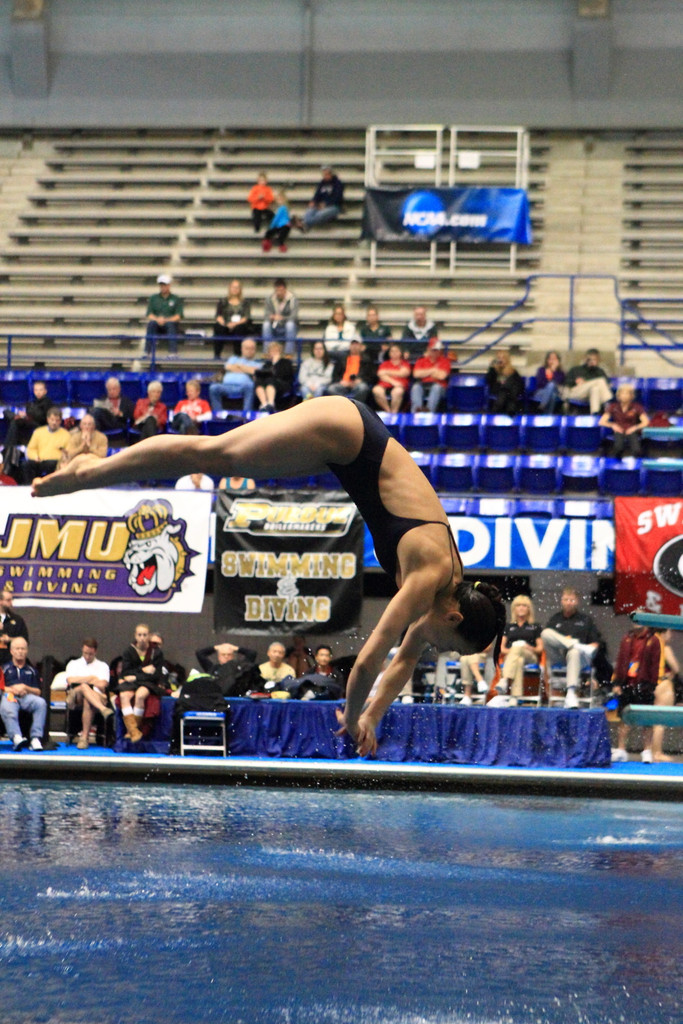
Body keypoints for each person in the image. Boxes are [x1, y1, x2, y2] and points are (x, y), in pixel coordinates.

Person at [32, 395, 508, 757]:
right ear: (454, 614)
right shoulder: (429, 575)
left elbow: (401, 663)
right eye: (451, 645)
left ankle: (94, 471)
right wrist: (352, 716)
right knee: (215, 454)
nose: (438, 649)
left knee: (219, 455)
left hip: (345, 449)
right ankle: (90, 472)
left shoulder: (446, 592)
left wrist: (374, 718)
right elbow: (369, 661)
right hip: (344, 431)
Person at [609, 625, 666, 764]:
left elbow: (655, 663)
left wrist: (653, 684)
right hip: (627, 683)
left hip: (644, 684)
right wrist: (617, 682)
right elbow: (620, 660)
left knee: (646, 719)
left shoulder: (653, 640)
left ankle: (647, 750)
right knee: (624, 717)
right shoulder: (627, 638)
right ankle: (621, 749)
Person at [541, 587, 602, 708]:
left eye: (572, 600)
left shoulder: (585, 620)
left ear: (577, 602)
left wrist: (581, 649)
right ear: (561, 601)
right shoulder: (555, 619)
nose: (569, 602)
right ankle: (574, 644)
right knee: (545, 633)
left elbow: (595, 644)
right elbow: (548, 639)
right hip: (559, 656)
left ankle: (571, 693)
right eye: (566, 599)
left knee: (574, 652)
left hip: (580, 658)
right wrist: (569, 642)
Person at [117, 623, 166, 743]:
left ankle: (133, 730)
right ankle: (134, 731)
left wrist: (135, 676)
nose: (142, 638)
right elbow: (125, 673)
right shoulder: (129, 651)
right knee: (123, 695)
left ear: (149, 636)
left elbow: (156, 674)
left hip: (149, 683)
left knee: (140, 695)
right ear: (135, 636)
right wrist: (143, 671)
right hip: (135, 682)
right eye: (139, 635)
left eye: (145, 635)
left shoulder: (156, 652)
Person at [65, 637, 112, 750]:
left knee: (87, 698)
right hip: (76, 696)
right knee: (84, 688)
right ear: (82, 649)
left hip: (96, 696)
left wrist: (81, 680)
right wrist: (92, 678)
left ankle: (84, 738)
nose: (87, 656)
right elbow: (71, 681)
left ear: (95, 652)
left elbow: (103, 685)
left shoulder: (103, 666)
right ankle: (102, 709)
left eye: (90, 654)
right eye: (85, 653)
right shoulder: (73, 663)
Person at [0, 637, 46, 751]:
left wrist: (26, 688)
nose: (20, 651)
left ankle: (35, 738)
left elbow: (38, 691)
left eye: (23, 649)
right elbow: (1, 687)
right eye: (17, 649)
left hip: (27, 697)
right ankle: (16, 738)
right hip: (9, 696)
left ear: (27, 651)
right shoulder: (4, 668)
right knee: (7, 705)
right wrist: (12, 689)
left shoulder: (32, 670)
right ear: (11, 651)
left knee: (41, 703)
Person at [498, 594, 544, 705]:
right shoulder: (509, 626)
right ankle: (515, 697)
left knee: (518, 649)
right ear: (514, 608)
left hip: (530, 655)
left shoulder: (535, 626)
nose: (521, 608)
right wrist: (514, 649)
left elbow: (539, 649)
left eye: (524, 605)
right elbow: (502, 648)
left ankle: (504, 679)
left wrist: (528, 647)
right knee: (518, 661)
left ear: (529, 609)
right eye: (518, 605)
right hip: (513, 656)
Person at [2, 378, 52, 478]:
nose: (38, 392)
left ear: (45, 391)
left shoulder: (47, 403)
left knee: (15, 423)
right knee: (7, 413)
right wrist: (22, 416)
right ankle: (15, 420)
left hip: (37, 426)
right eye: (36, 390)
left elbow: (42, 417)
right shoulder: (32, 403)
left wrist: (26, 415)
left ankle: (8, 448)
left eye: (40, 390)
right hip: (27, 424)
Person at [209, 337, 263, 414]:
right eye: (247, 348)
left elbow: (255, 371)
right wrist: (247, 370)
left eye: (252, 348)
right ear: (242, 349)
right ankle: (218, 414)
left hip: (243, 387)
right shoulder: (233, 358)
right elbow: (228, 367)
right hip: (226, 386)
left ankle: (246, 414)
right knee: (213, 387)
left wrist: (239, 366)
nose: (249, 351)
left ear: (255, 350)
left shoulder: (258, 363)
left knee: (250, 386)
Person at [599, 382, 649, 459]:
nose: (624, 396)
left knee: (637, 450)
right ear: (618, 395)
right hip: (619, 430)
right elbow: (602, 421)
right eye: (622, 394)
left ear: (631, 396)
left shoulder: (637, 407)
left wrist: (635, 427)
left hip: (631, 430)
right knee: (618, 448)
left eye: (627, 394)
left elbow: (646, 422)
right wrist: (613, 425)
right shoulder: (613, 407)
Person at [21, 406, 70, 484]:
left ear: (60, 421)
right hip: (40, 461)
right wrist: (35, 457)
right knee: (26, 464)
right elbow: (31, 448)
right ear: (48, 420)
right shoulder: (38, 432)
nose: (54, 423)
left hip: (55, 462)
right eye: (52, 420)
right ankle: (29, 486)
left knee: (52, 464)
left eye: (57, 420)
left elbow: (68, 452)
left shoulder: (66, 435)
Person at [213, 279, 255, 360]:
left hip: (239, 324)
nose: (235, 289)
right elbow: (218, 316)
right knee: (218, 327)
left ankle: (238, 356)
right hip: (225, 325)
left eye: (237, 287)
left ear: (240, 289)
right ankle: (217, 355)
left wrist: (235, 324)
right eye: (233, 287)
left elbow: (246, 317)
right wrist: (225, 324)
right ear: (229, 288)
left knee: (240, 328)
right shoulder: (223, 301)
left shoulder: (245, 302)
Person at [294, 165, 344, 232]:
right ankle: (304, 225)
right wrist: (313, 201)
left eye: (327, 174)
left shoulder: (338, 184)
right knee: (309, 211)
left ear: (331, 173)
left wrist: (326, 204)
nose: (325, 176)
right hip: (320, 205)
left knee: (320, 214)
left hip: (334, 206)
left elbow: (338, 198)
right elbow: (317, 195)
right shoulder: (322, 183)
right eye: (324, 174)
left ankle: (303, 223)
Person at [562, 349, 613, 414]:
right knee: (600, 381)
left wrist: (595, 369)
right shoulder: (576, 369)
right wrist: (575, 381)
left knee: (595, 389)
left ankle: (595, 413)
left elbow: (607, 383)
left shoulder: (600, 371)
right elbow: (566, 382)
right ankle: (608, 402)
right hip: (576, 392)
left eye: (594, 359)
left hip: (590, 396)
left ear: (598, 360)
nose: (592, 361)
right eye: (590, 359)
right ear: (586, 359)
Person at [327, 338, 376, 404]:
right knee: (332, 388)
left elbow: (371, 376)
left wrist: (360, 380)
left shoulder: (366, 359)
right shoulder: (342, 358)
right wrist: (341, 381)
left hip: (358, 384)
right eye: (352, 345)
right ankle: (345, 405)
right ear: (349, 346)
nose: (354, 347)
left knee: (363, 388)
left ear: (361, 346)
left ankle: (356, 406)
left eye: (356, 345)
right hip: (344, 383)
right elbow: (335, 375)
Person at [145, 274, 184, 356]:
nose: (163, 287)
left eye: (165, 285)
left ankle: (173, 352)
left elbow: (178, 316)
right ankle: (147, 352)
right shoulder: (153, 298)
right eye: (161, 285)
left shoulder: (176, 298)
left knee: (170, 324)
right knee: (151, 324)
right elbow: (149, 314)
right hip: (157, 323)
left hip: (170, 324)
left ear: (169, 286)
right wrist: (157, 319)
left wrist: (165, 320)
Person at [410, 339, 452, 413]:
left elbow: (442, 376)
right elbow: (416, 374)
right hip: (423, 384)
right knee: (416, 387)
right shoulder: (421, 361)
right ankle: (416, 412)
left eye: (438, 350)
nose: (437, 352)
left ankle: (429, 412)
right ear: (429, 349)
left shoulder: (445, 361)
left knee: (436, 388)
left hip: (439, 386)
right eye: (434, 350)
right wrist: (433, 370)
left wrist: (424, 373)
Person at [253, 340, 295, 413]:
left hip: (283, 384)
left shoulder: (286, 362)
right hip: (267, 383)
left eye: (276, 350)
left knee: (271, 380)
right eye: (272, 351)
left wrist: (275, 364)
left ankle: (271, 403)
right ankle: (264, 404)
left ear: (280, 352)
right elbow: (263, 374)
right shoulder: (267, 364)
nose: (274, 353)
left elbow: (280, 375)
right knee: (259, 381)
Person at [262, 278, 299, 355]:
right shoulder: (270, 299)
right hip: (274, 325)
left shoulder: (292, 299)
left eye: (281, 290)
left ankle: (288, 353)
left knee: (290, 325)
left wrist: (283, 318)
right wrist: (271, 317)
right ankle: (266, 352)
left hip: (287, 325)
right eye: (277, 291)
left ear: (285, 289)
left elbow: (294, 316)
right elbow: (266, 315)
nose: (279, 293)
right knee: (266, 324)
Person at [372, 342, 411, 412]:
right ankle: (388, 410)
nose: (394, 353)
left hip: (400, 386)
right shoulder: (385, 363)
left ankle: (394, 412)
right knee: (376, 390)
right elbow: (380, 374)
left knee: (397, 392)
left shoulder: (404, 363)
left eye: (396, 351)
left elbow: (404, 373)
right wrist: (393, 381)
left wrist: (387, 372)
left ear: (400, 353)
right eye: (392, 351)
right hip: (385, 385)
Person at [485, 351, 525, 416]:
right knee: (505, 391)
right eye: (499, 358)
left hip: (509, 393)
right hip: (498, 391)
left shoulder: (512, 371)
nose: (500, 360)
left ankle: (496, 409)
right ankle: (511, 409)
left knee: (508, 387)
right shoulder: (494, 370)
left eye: (503, 358)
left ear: (507, 359)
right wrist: (492, 367)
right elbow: (488, 381)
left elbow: (520, 385)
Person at [0, 588, 29, 667]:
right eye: (8, 600)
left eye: (11, 600)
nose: (11, 603)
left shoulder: (17, 620)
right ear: (1, 601)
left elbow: (25, 640)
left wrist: (9, 639)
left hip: (9, 662)